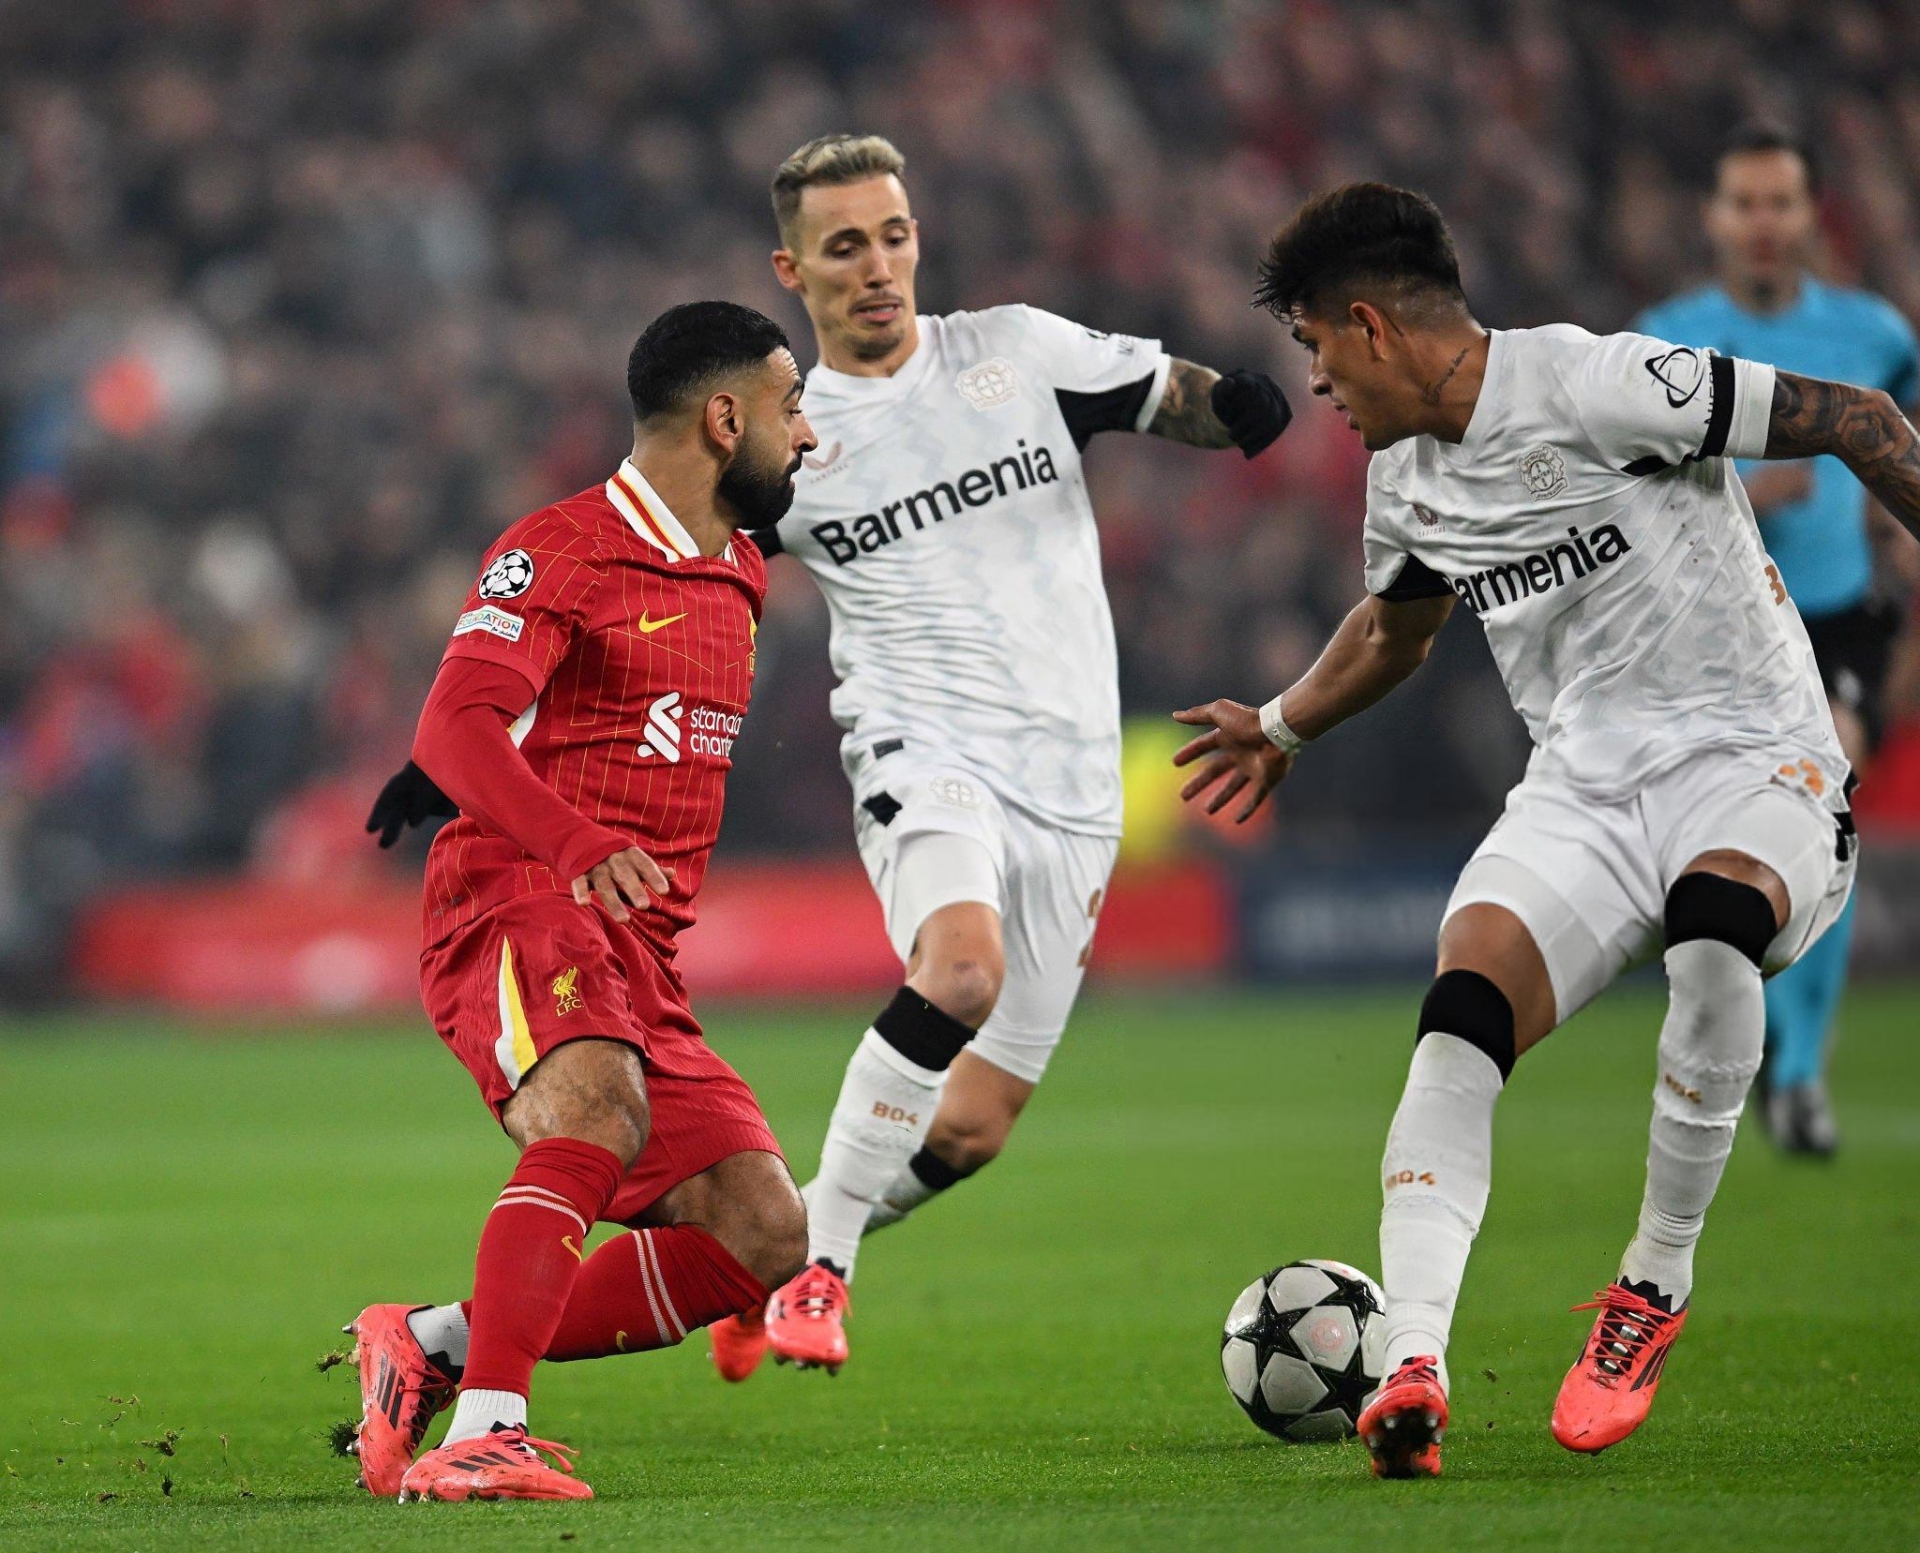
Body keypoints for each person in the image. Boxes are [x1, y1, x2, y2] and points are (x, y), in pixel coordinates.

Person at [1175, 182, 1920, 1478]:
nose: (1320, 386)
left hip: (1759, 766)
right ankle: (1410, 1362)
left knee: (1712, 928)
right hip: (1583, 795)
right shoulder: (1403, 477)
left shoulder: (1601, 383)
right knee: (1461, 1011)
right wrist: (1284, 725)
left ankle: (1652, 1288)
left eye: (1315, 350)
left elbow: (1856, 419)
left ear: (1370, 326)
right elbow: (1397, 629)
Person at [709, 133, 1294, 1378]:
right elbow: (660, 559)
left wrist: (1234, 406)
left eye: (895, 234)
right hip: (925, 751)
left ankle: (780, 1251)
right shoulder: (783, 446)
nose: (879, 266)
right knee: (959, 970)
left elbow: (1161, 393)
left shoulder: (1016, 352)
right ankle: (821, 1276)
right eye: (846, 246)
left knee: (973, 1126)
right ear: (793, 270)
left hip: (1072, 782)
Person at [350, 301, 818, 1502]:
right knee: (594, 1110)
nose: (807, 435)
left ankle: (435, 1346)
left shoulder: (742, 569)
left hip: (641, 952)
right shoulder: (562, 546)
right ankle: (488, 1431)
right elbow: (454, 718)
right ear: (725, 419)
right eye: (791, 406)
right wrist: (564, 831)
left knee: (763, 1235)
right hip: (520, 895)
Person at [1636, 122, 1920, 1156]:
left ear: (1809, 216)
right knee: (1730, 843)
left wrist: (1898, 528)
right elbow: (1635, 492)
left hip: (1837, 611)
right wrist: (1748, 489)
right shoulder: (1665, 334)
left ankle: (1798, 1073)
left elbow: (1905, 445)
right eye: (1744, 204)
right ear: (1714, 219)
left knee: (1828, 786)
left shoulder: (1875, 334)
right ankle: (1741, 1046)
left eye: (1781, 203)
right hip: (1719, 621)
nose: (1763, 223)